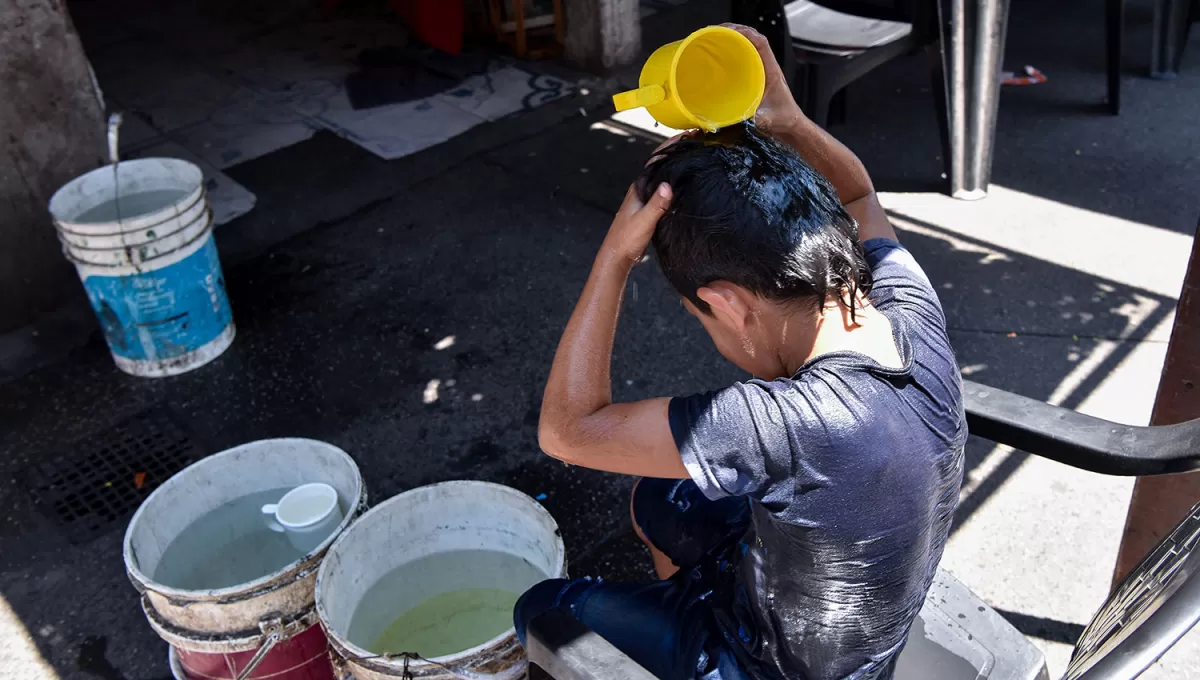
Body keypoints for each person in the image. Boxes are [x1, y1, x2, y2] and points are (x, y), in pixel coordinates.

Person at [513, 24, 965, 680]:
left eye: (700, 317)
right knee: (657, 498)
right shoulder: (903, 301)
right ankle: (684, 608)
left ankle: (694, 650)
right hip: (844, 620)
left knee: (548, 608)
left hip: (774, 668)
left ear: (728, 303)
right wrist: (789, 122)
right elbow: (859, 196)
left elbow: (566, 432)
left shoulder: (779, 424)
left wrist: (614, 258)